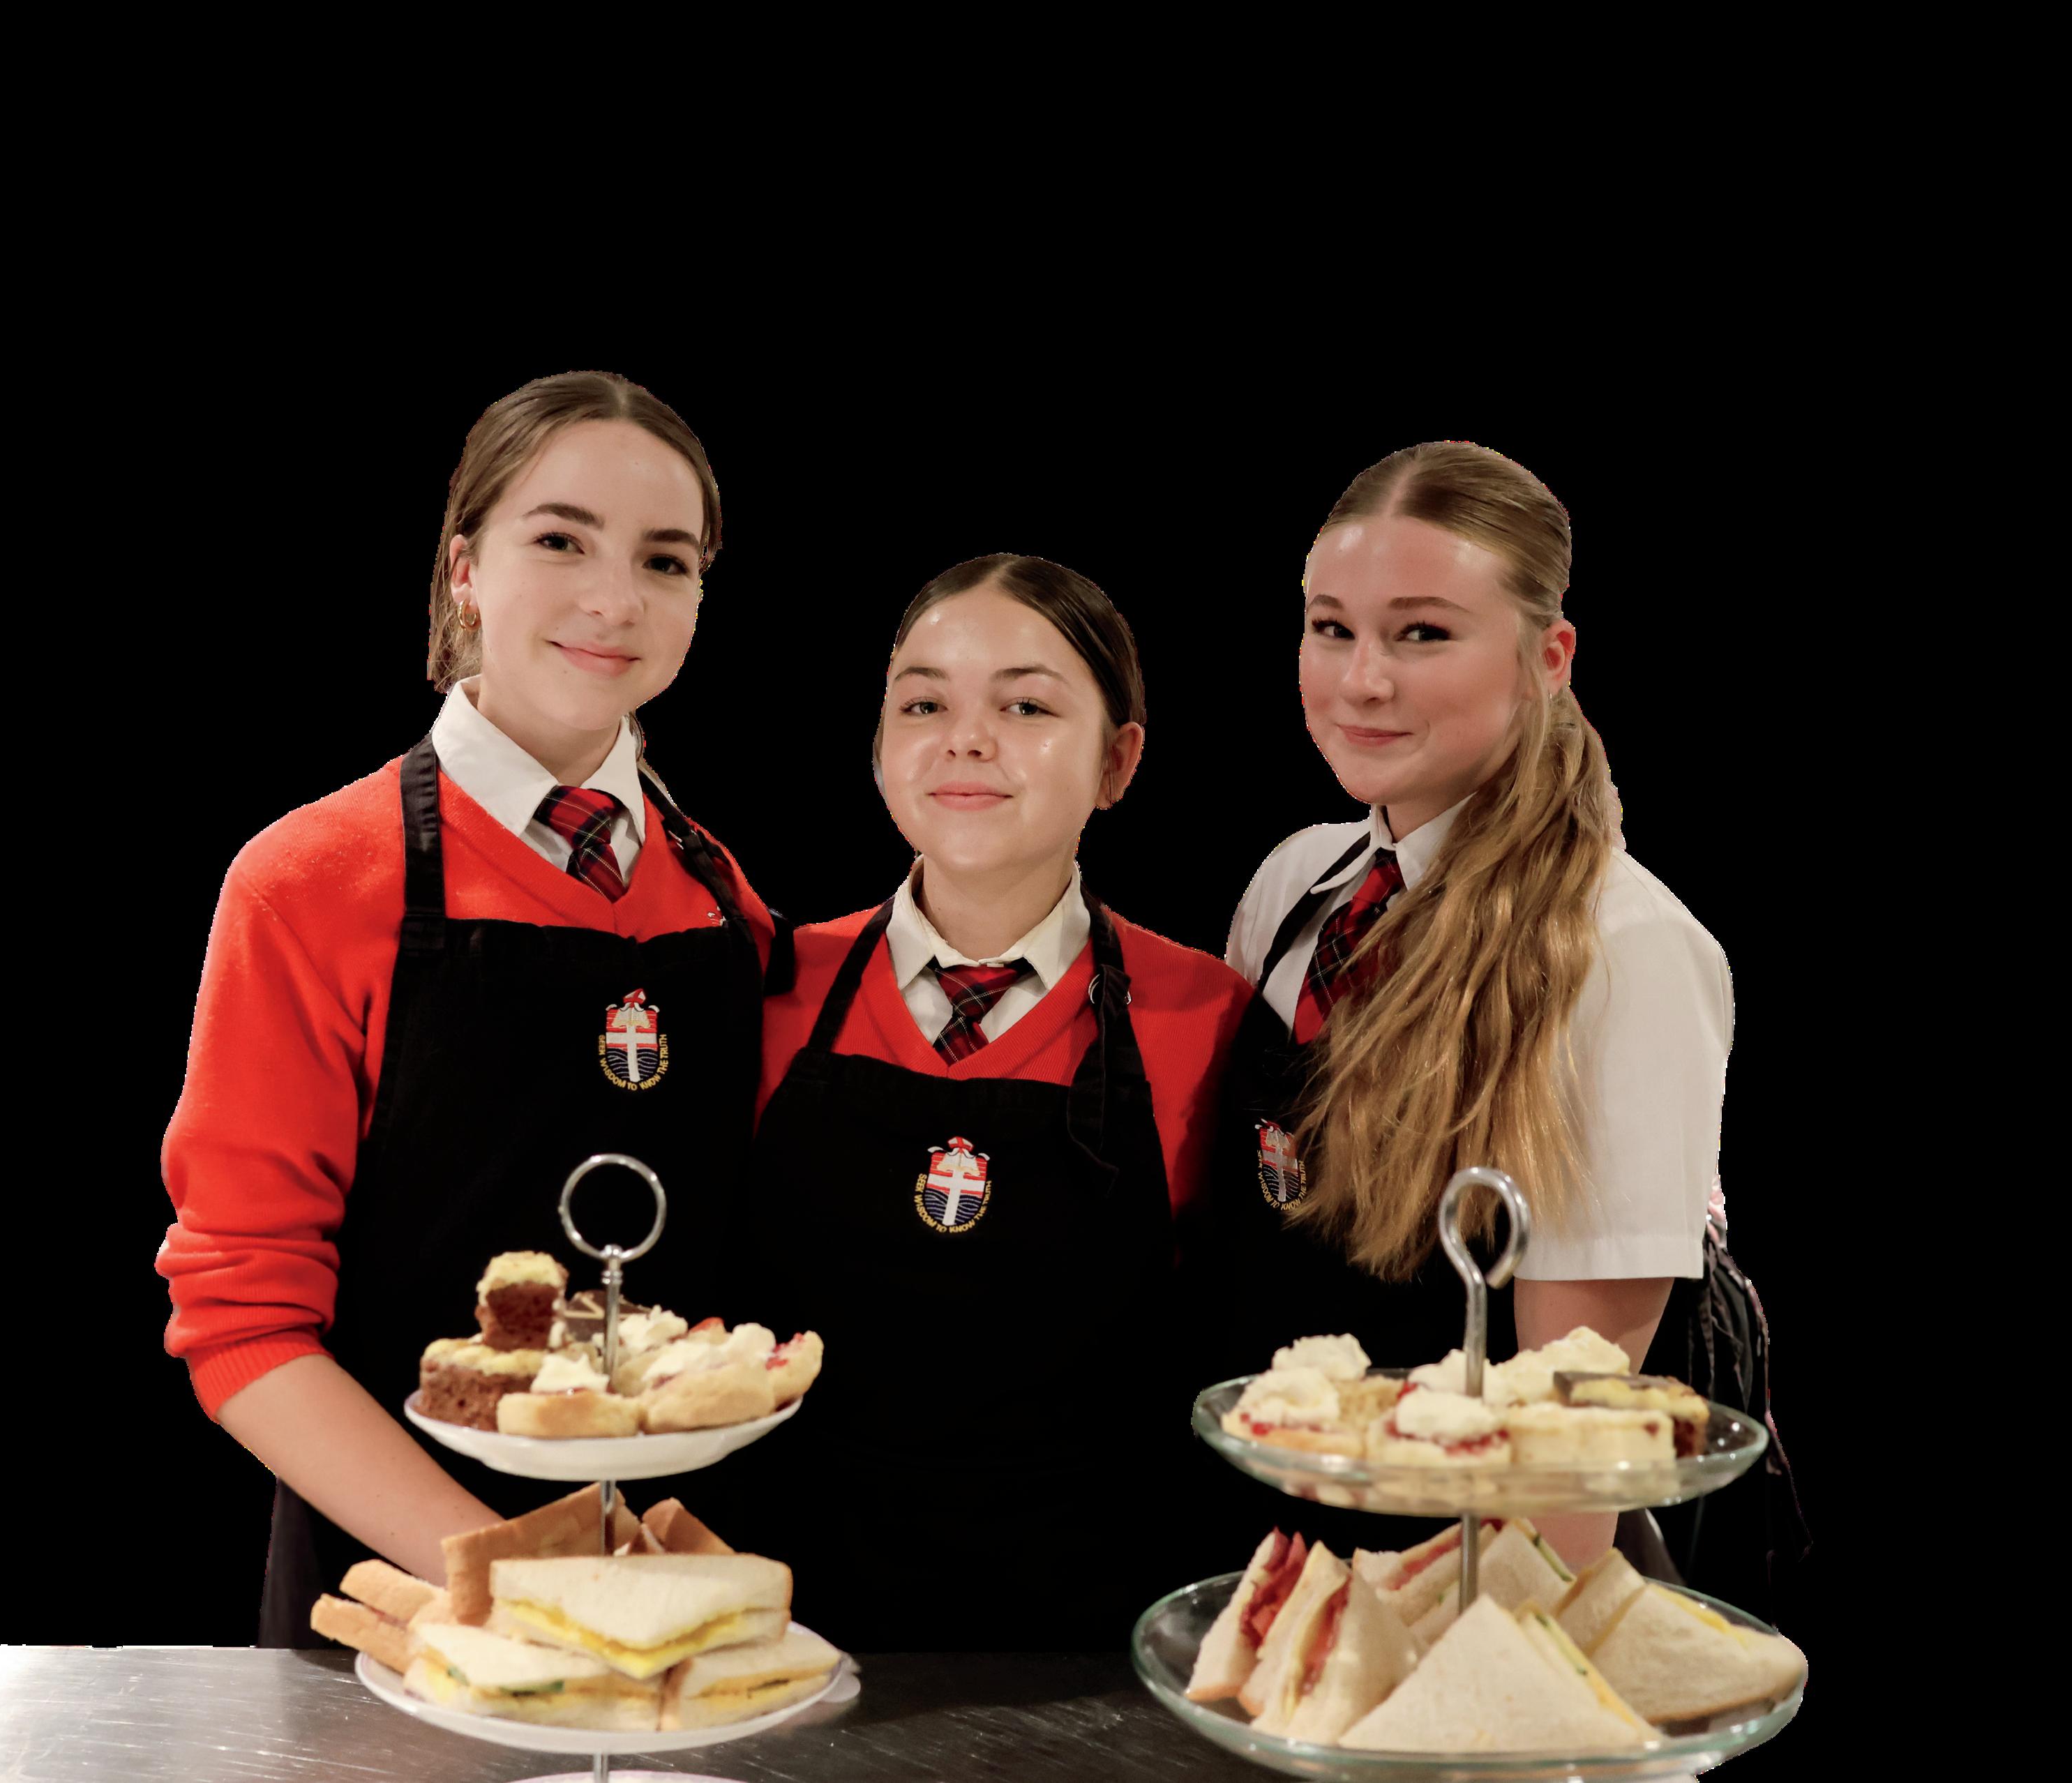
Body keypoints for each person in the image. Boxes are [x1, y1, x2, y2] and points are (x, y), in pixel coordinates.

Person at [156, 370, 780, 1645]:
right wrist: (520, 1578)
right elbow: (243, 1326)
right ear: (464, 570)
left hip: (672, 1584)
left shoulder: (726, 898)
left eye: (665, 561)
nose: (616, 599)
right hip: (406, 1598)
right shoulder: (308, 882)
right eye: (560, 540)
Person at [1196, 440, 1732, 1575]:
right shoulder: (1293, 885)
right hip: (1270, 1558)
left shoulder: (1622, 951)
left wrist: (1476, 1666)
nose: (1361, 681)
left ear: (1549, 658)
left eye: (1422, 633)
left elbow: (1569, 1448)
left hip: (1471, 1586)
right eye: (1331, 628)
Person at [709, 555, 1255, 1651]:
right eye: (924, 705)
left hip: (1104, 1650)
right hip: (781, 1631)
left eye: (1025, 707)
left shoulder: (1211, 1013)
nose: (965, 739)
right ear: (879, 747)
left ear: (1119, 762)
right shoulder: (762, 984)